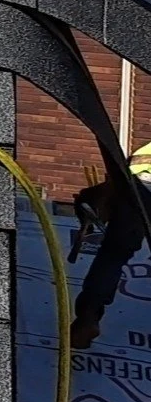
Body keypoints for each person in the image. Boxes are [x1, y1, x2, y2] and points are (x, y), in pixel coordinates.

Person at [70, 143, 151, 348]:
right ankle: (87, 319)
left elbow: (122, 180)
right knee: (113, 255)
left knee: (112, 256)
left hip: (135, 191)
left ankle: (88, 316)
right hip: (134, 189)